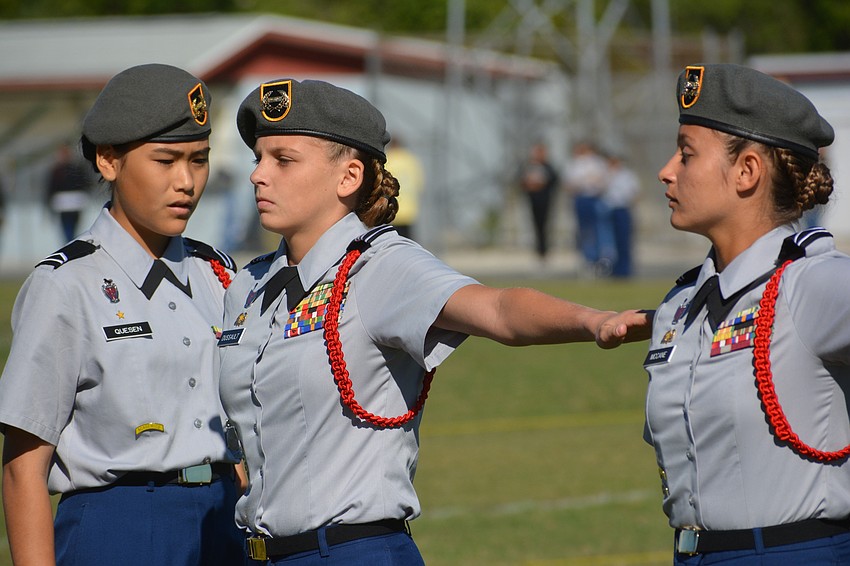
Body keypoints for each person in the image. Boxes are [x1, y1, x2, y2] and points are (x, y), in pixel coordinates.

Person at [218, 77, 651, 565]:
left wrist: (594, 321)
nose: (258, 174)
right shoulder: (248, 286)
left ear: (348, 177)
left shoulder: (379, 267)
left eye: (284, 159)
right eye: (258, 158)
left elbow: (498, 310)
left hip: (349, 552)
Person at [0, 64, 246, 565]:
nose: (186, 181)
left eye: (199, 160)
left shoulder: (215, 271)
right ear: (108, 161)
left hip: (224, 517)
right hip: (123, 526)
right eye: (165, 160)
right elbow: (23, 466)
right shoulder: (65, 284)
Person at [644, 63, 850, 564]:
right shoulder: (681, 304)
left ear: (747, 171)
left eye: (686, 154)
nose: (666, 170)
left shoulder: (812, 283)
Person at [563, 141, 610, 275]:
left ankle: (601, 260)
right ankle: (587, 260)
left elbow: (603, 181)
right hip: (580, 199)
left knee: (598, 230)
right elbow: (569, 184)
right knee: (584, 231)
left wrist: (591, 183)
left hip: (594, 198)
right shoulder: (575, 164)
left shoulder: (597, 163)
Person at [518, 141, 559, 262]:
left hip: (545, 201)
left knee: (545, 226)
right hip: (532, 200)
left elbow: (554, 180)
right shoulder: (527, 166)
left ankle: (544, 252)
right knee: (533, 227)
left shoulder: (548, 167)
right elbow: (520, 180)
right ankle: (536, 252)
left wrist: (541, 184)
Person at [45, 141, 93, 242]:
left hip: (72, 203)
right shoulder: (61, 170)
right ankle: (70, 242)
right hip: (68, 203)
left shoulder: (62, 170)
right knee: (69, 227)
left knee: (70, 227)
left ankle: (69, 242)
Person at [602, 152, 639, 278]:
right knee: (609, 242)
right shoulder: (606, 174)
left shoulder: (627, 175)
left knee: (623, 241)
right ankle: (611, 269)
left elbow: (634, 192)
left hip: (622, 209)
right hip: (608, 210)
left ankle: (624, 270)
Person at [384, 136, 424, 240]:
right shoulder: (411, 160)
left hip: (392, 208)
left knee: (393, 241)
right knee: (407, 241)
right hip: (409, 210)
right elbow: (419, 184)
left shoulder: (388, 159)